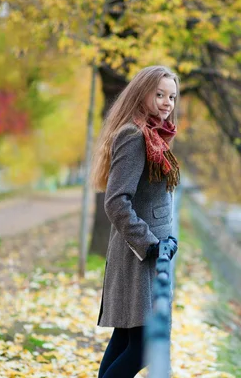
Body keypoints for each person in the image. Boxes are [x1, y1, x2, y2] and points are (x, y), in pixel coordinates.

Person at [90, 65, 181, 377]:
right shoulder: (134, 136)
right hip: (139, 256)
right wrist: (152, 245)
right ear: (142, 94)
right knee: (143, 346)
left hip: (146, 255)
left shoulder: (153, 135)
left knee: (125, 340)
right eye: (159, 94)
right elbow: (115, 201)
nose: (167, 102)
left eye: (171, 96)